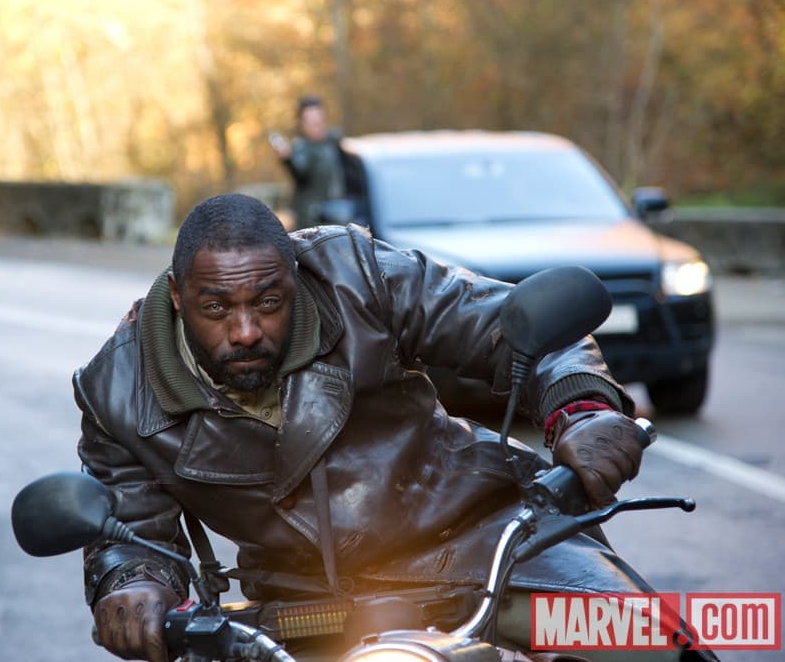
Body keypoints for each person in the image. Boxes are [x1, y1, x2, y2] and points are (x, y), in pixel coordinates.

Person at [74, 193, 646, 662]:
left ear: (294, 279)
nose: (245, 331)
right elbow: (128, 528)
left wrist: (582, 408)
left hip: (484, 540)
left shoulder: (355, 274)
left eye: (268, 302)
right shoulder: (114, 391)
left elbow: (513, 326)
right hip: (303, 601)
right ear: (177, 296)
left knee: (639, 641)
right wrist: (131, 580)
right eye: (217, 308)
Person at [269, 95, 345, 229]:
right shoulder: (300, 148)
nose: (317, 125)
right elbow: (301, 174)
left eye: (319, 119)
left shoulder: (334, 142)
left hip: (338, 215)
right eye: (312, 121)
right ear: (302, 123)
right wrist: (288, 160)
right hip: (310, 221)